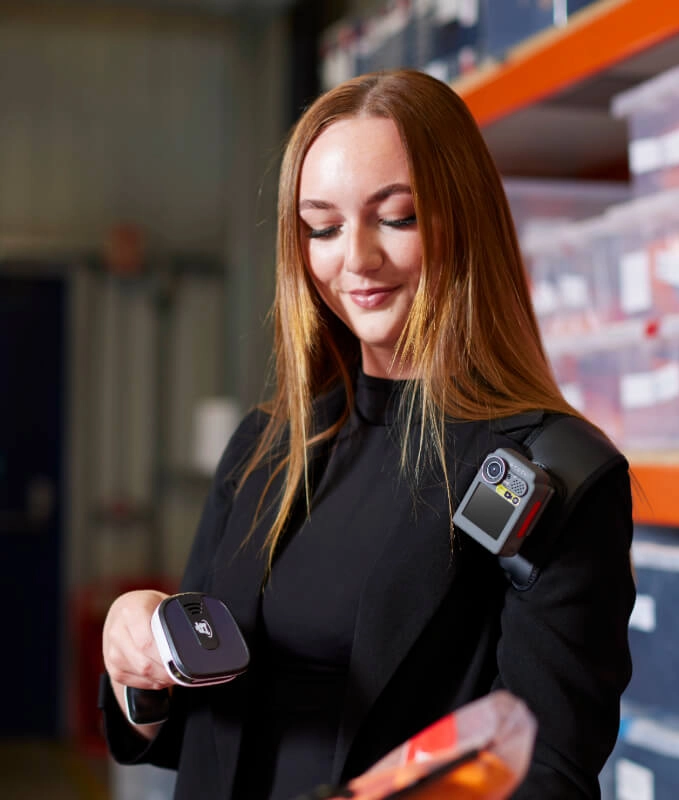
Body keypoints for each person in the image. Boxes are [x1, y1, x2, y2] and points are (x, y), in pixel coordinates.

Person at [100, 68, 635, 800]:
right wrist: (137, 662)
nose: (354, 259)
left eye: (397, 216)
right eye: (322, 226)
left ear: (463, 219)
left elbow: (545, 774)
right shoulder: (267, 449)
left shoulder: (551, 472)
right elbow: (189, 731)